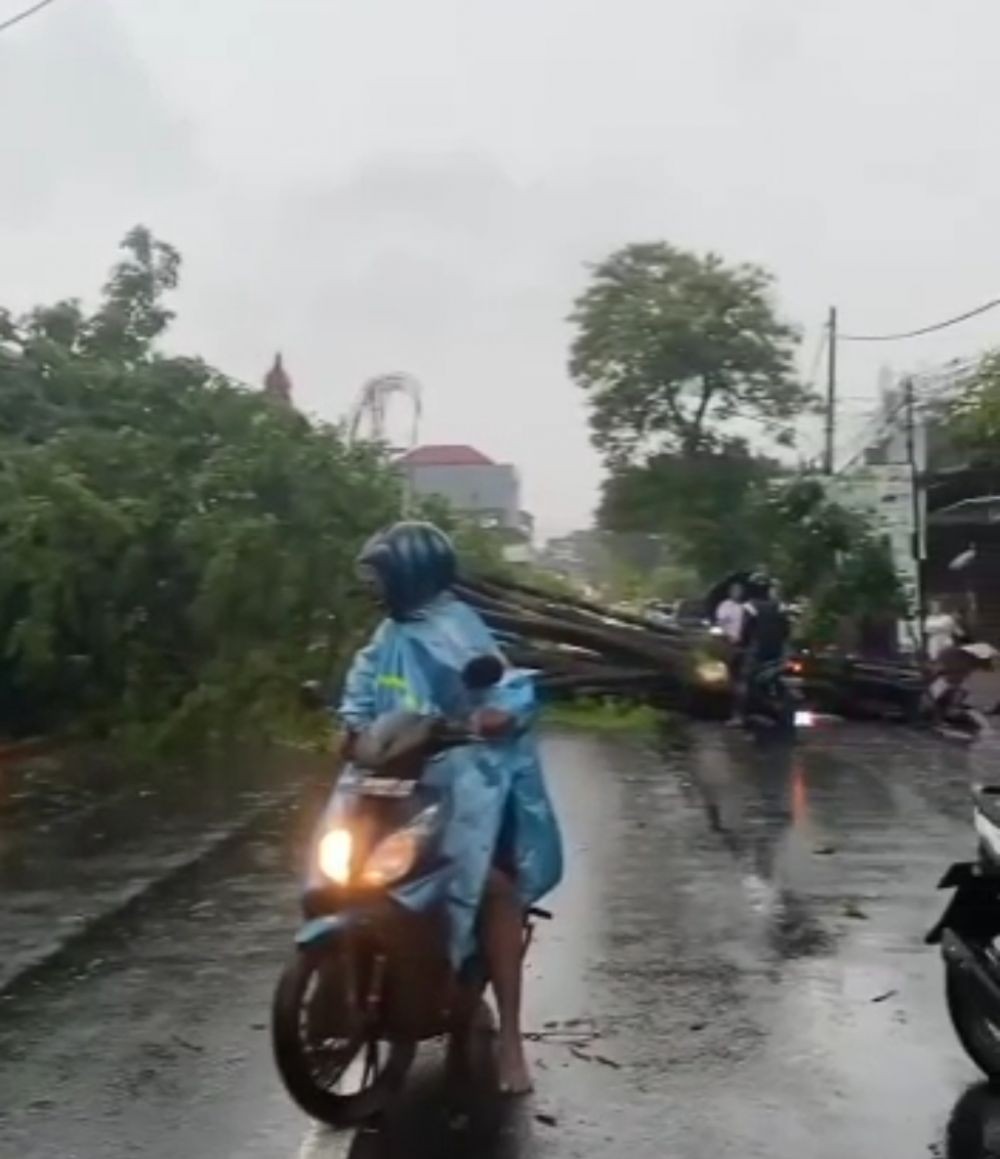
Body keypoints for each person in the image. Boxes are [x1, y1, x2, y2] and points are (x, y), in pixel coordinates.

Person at [337, 521, 563, 1095]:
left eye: (384, 575)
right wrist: (351, 726)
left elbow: (509, 686)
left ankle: (511, 1038)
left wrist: (497, 715)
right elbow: (361, 691)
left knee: (493, 889)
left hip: (469, 787)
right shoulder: (387, 634)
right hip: (398, 783)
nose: (377, 587)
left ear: (411, 573)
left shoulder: (460, 630)